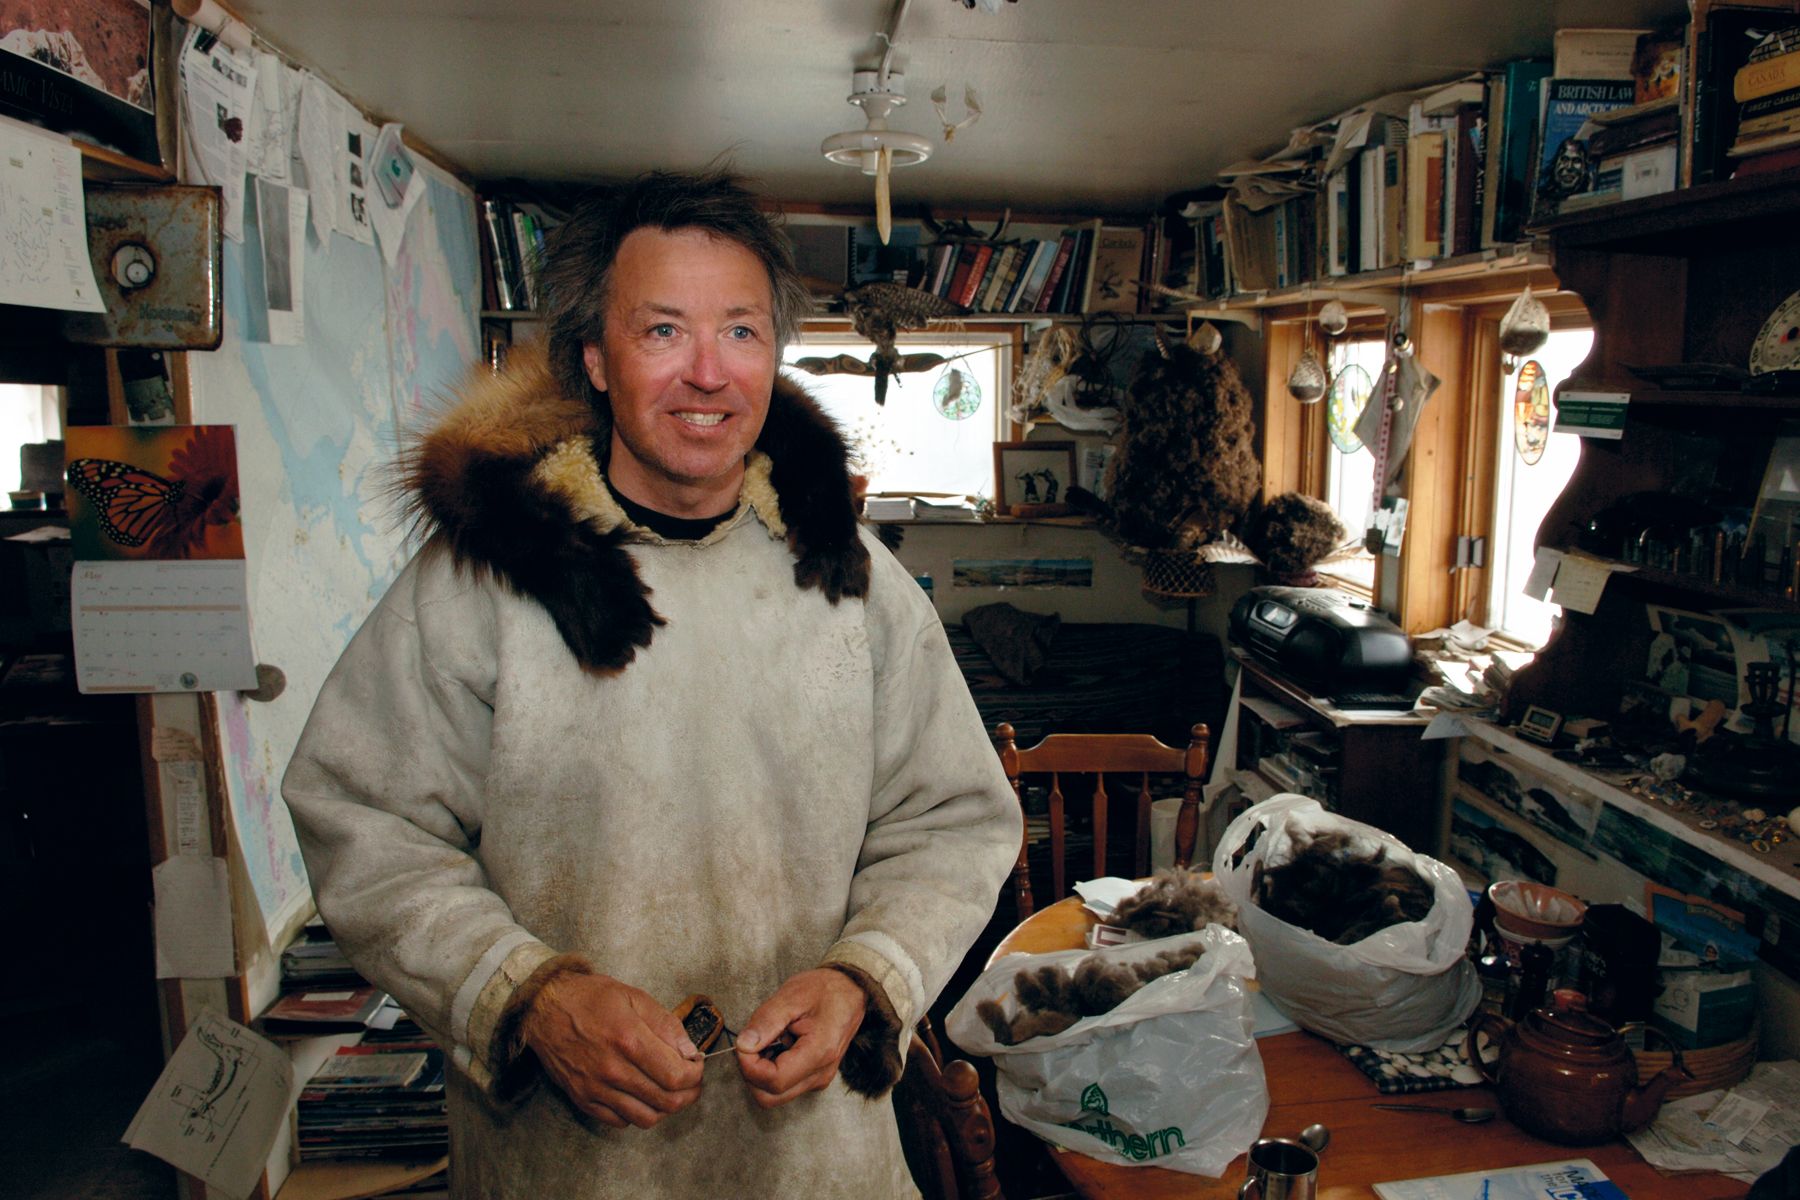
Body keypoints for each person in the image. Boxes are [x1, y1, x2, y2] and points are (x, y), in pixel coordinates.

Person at [282, 168, 1020, 1198]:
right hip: (568, 1163)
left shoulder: (854, 579)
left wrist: (869, 977)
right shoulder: (481, 586)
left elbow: (952, 820)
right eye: (663, 331)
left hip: (813, 1162)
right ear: (595, 357)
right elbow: (363, 815)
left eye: (743, 333)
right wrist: (525, 996)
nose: (709, 375)